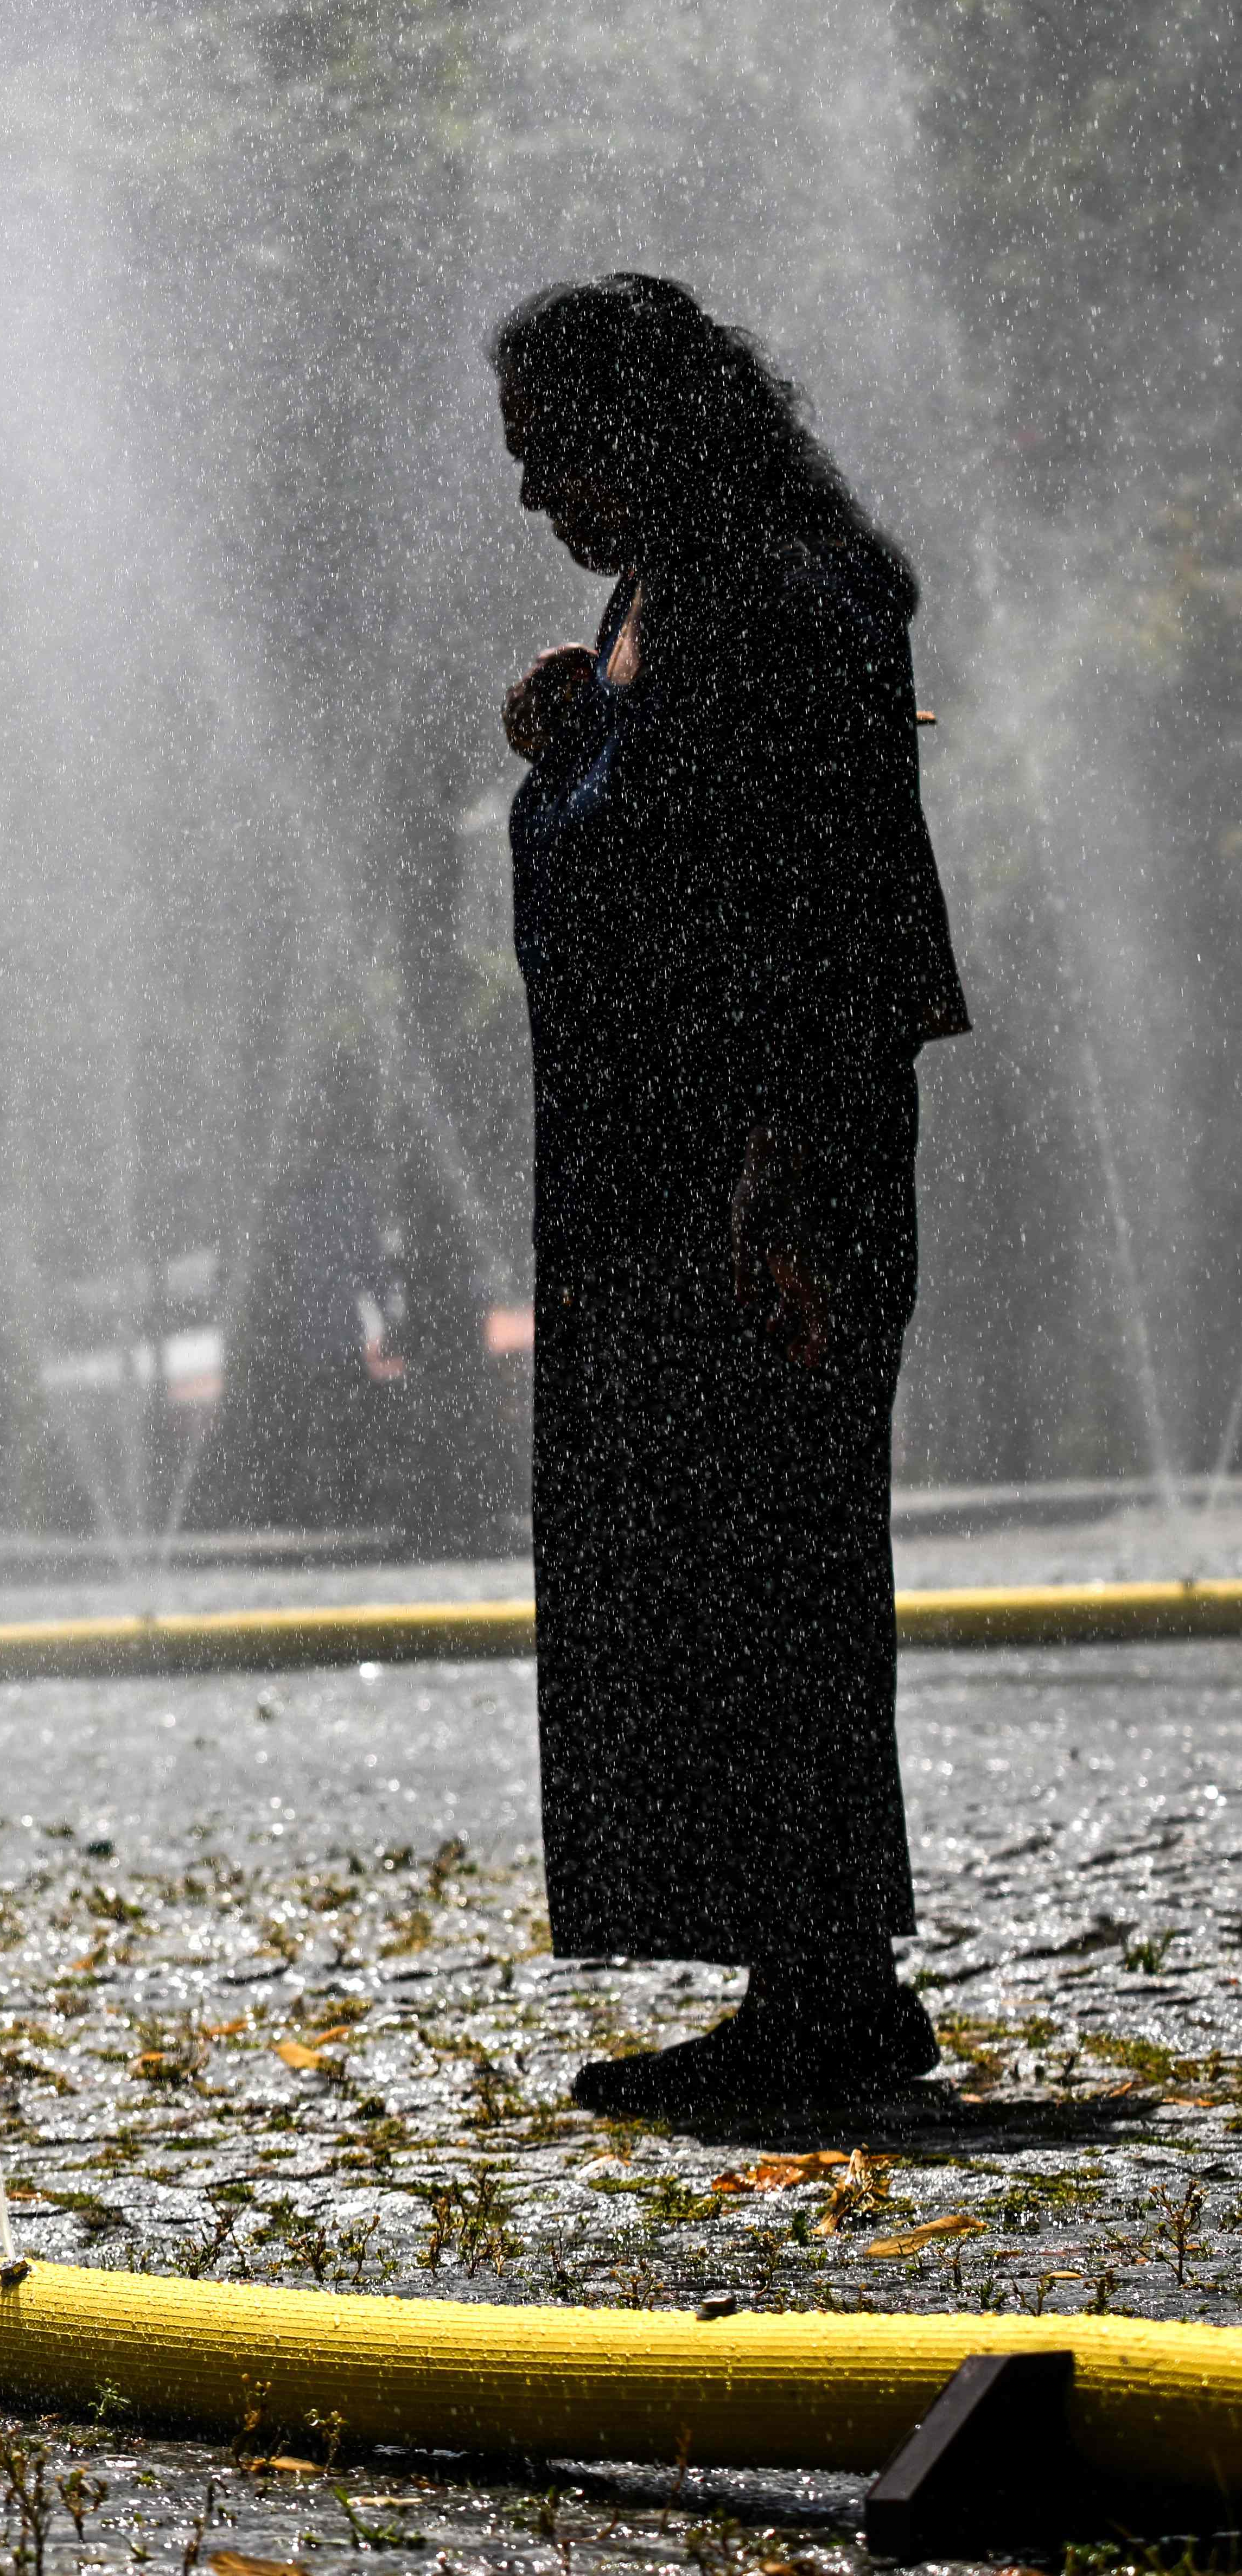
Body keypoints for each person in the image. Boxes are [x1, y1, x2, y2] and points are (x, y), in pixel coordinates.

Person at [492, 273, 971, 2115]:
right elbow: (667, 832)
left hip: (761, 1165)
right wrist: (571, 726)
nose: (535, 494)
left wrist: (781, 1165)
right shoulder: (661, 602)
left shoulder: (778, 599)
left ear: (651, 420)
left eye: (555, 451)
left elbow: (819, 899)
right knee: (698, 1556)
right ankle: (793, 1964)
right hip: (650, 1171)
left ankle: (831, 1987)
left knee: (776, 1555)